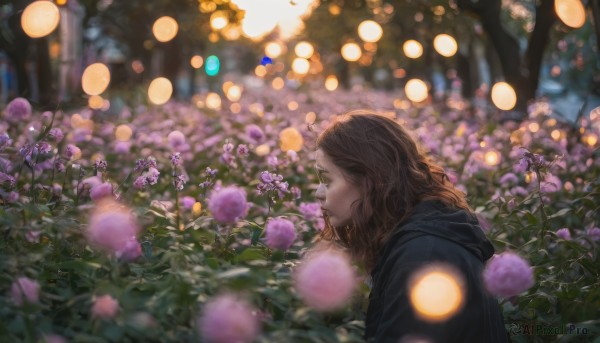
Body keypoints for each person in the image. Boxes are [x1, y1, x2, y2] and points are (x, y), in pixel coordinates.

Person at [314, 110, 508, 343]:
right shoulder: (422, 238)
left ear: (369, 180)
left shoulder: (424, 257)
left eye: (327, 180)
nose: (318, 193)